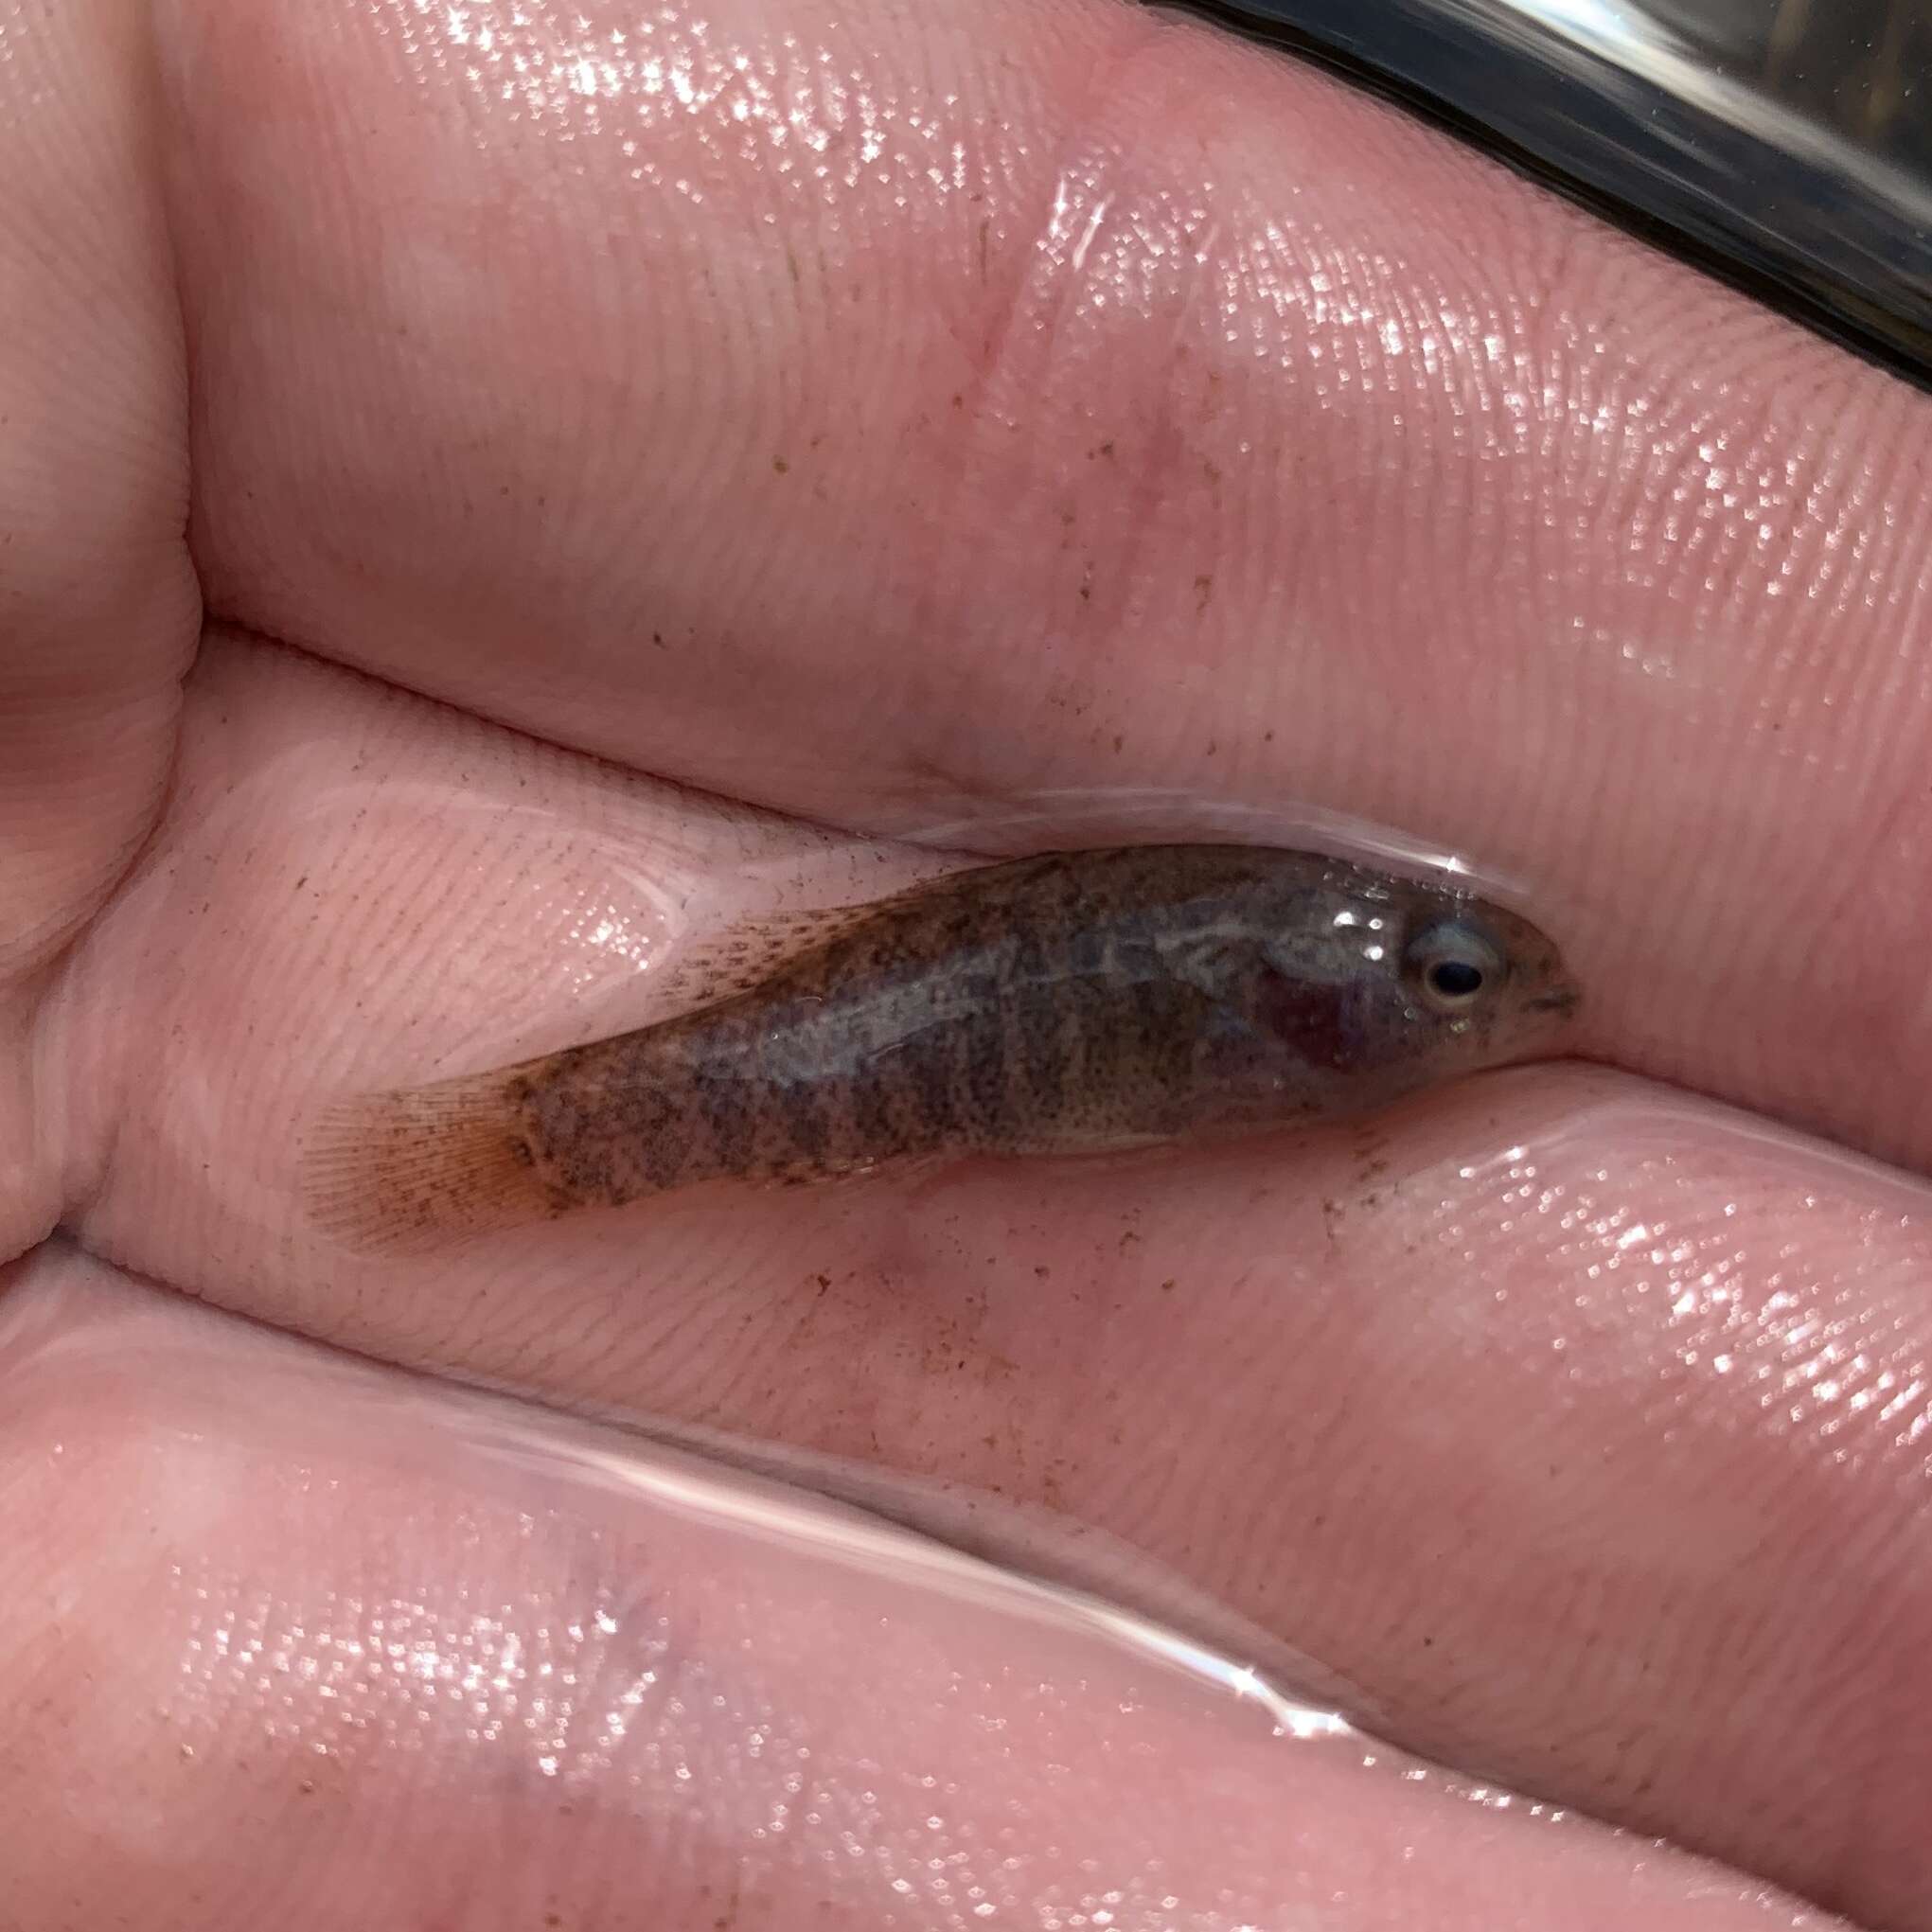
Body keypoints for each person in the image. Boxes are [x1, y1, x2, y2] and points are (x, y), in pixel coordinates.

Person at [2, 1, 1926, 1925]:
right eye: (1446, 980)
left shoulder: (1293, 984)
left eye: (1459, 980)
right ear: (1329, 994)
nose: (1480, 1004)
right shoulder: (1271, 975)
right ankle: (531, 1141)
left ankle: (539, 1140)